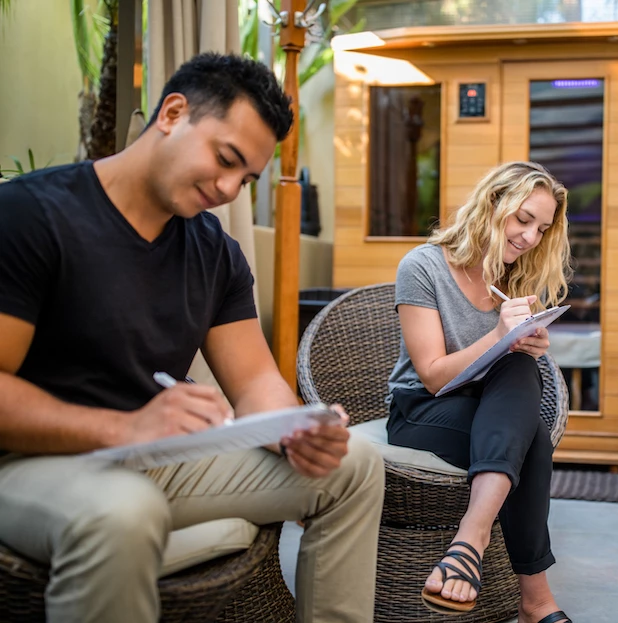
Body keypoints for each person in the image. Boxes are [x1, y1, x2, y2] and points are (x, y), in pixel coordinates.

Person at [0, 52, 384, 623]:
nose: (230, 189)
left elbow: (255, 382)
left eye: (247, 178)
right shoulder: (31, 215)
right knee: (123, 511)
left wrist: (296, 430)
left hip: (152, 456)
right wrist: (126, 427)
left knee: (354, 463)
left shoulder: (214, 253)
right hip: (29, 462)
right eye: (225, 160)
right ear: (173, 113)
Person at [386, 161, 573, 623]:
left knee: (521, 369)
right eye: (523, 220)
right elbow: (431, 375)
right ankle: (533, 598)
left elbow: (505, 370)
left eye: (542, 229)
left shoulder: (514, 277)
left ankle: (472, 548)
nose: (530, 238)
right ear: (492, 204)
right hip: (421, 411)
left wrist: (529, 344)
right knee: (530, 442)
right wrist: (498, 336)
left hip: (486, 410)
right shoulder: (423, 266)